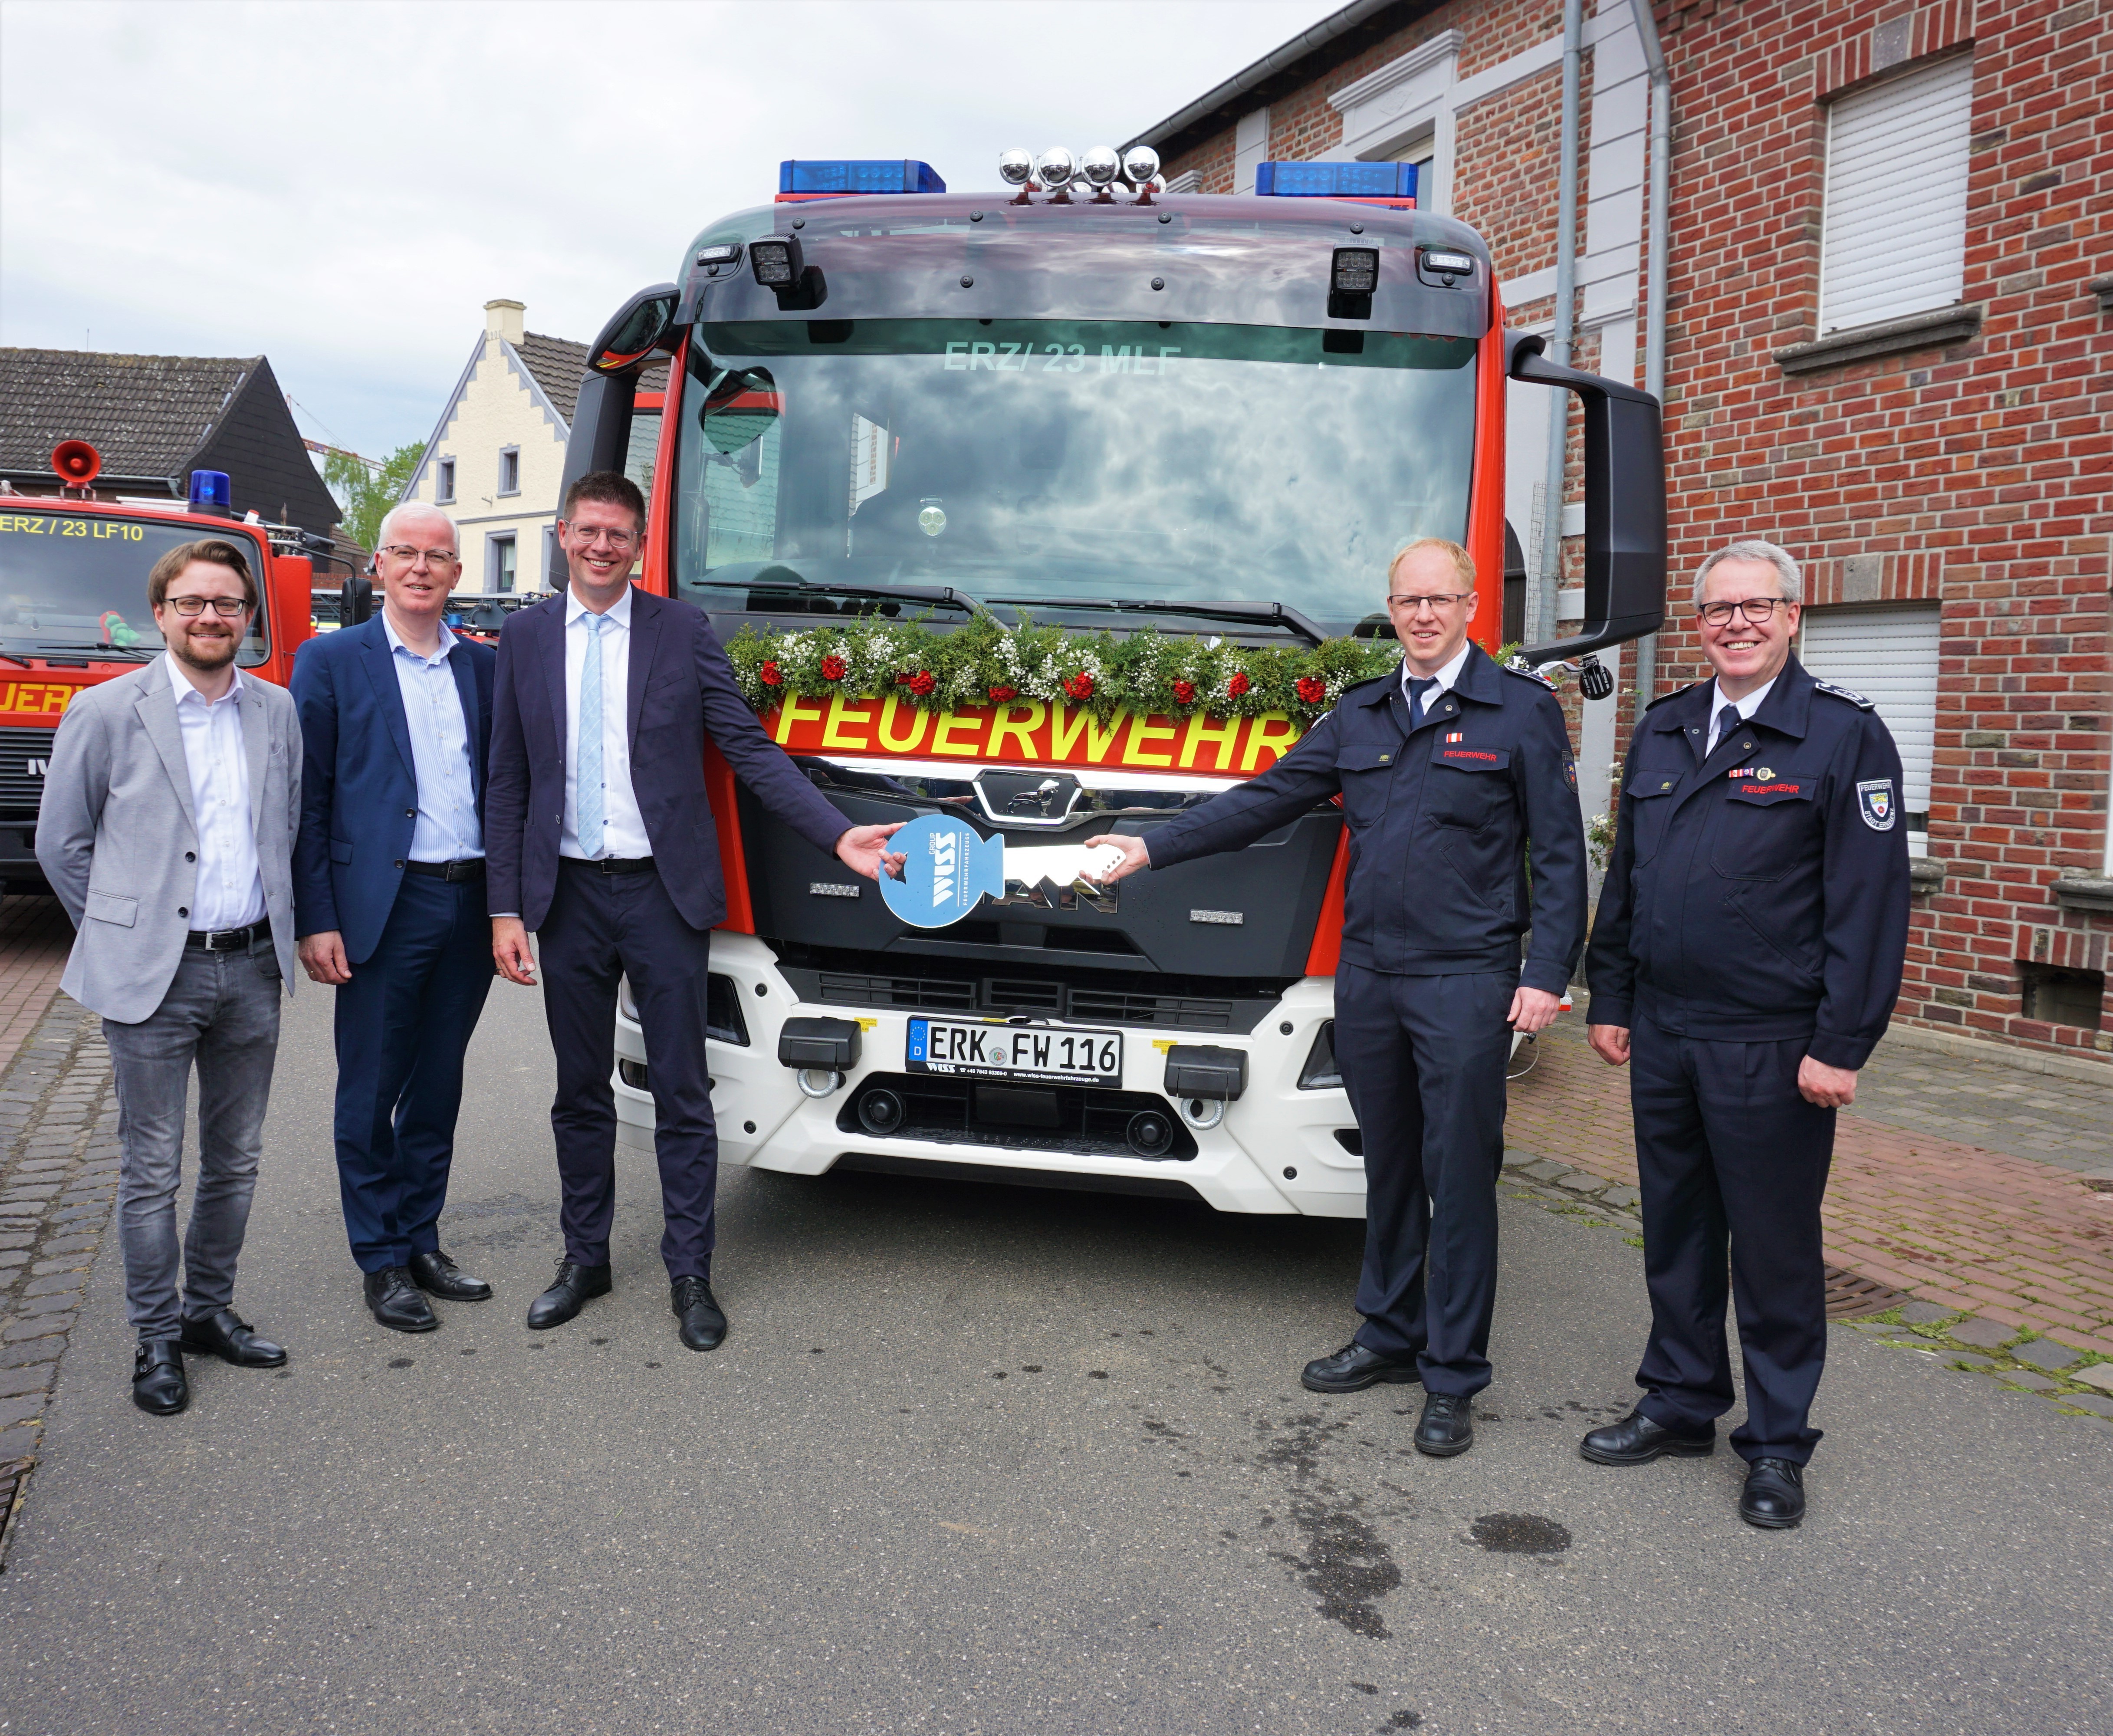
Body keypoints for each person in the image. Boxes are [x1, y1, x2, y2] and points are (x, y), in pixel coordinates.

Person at [1087, 537, 1586, 1457]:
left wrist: (1546, 972)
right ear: (1390, 608)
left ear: (1472, 606)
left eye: (1440, 599)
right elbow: (1264, 798)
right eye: (1408, 600)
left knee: (1459, 1178)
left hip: (1465, 979)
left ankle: (1451, 1372)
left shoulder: (1518, 713)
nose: (1424, 614)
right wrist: (1147, 846)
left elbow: (1558, 853)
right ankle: (1387, 1334)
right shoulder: (1360, 714)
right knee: (1387, 1166)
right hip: (1369, 979)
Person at [485, 471, 904, 1352]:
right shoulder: (522, 639)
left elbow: (747, 748)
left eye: (619, 535)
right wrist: (504, 909)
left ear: (639, 546)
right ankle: (583, 1257)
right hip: (562, 896)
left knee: (681, 1089)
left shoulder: (680, 631)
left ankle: (689, 1270)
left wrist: (838, 838)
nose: (602, 547)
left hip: (659, 894)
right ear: (562, 534)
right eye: (589, 531)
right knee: (576, 1092)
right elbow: (509, 780)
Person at [1580, 538, 1909, 1530]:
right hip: (1668, 1032)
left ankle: (1773, 1443)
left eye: (1755, 607)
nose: (1735, 623)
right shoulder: (1670, 725)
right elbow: (1630, 876)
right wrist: (1610, 993)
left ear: (1792, 616)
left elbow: (1868, 904)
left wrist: (1840, 1043)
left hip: (1772, 1041)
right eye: (1718, 609)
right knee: (1676, 1232)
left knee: (1770, 1248)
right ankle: (1680, 1400)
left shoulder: (1843, 735)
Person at [35, 538, 301, 1416]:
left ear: (249, 617)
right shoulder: (110, 711)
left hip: (253, 967)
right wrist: (125, 933)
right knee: (152, 1167)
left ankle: (208, 1310)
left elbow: (285, 829)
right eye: (192, 602)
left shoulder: (275, 712)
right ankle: (155, 1337)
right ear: (162, 612)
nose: (210, 617)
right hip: (156, 979)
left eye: (227, 603)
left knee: (237, 1158)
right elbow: (62, 843)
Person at [291, 507, 498, 1334]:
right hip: (383, 903)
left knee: (437, 1085)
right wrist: (317, 916)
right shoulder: (331, 660)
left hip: (470, 898)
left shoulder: (484, 669)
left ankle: (421, 1238)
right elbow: (307, 801)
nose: (421, 567)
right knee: (370, 1087)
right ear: (377, 567)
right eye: (405, 554)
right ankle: (379, 1258)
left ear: (456, 573)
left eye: (437, 557)